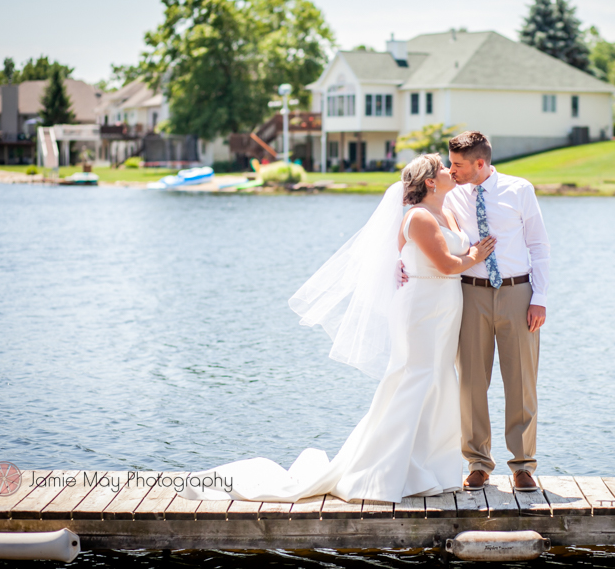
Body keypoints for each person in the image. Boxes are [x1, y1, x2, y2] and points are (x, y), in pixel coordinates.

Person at [178, 154, 495, 504]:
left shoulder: (448, 211)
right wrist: (477, 255)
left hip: (446, 306)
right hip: (422, 305)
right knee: (414, 378)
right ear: (431, 181)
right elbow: (448, 264)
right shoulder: (418, 216)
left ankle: (429, 467)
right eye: (443, 168)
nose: (452, 171)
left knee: (438, 379)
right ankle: (384, 471)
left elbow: (407, 255)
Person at [443, 131, 550, 493]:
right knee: (471, 381)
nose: (451, 170)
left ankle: (522, 465)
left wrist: (541, 298)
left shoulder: (520, 190)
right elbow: (417, 211)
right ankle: (477, 463)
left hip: (518, 293)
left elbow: (539, 244)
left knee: (521, 381)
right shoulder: (451, 194)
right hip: (470, 295)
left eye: (457, 164)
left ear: (480, 163)